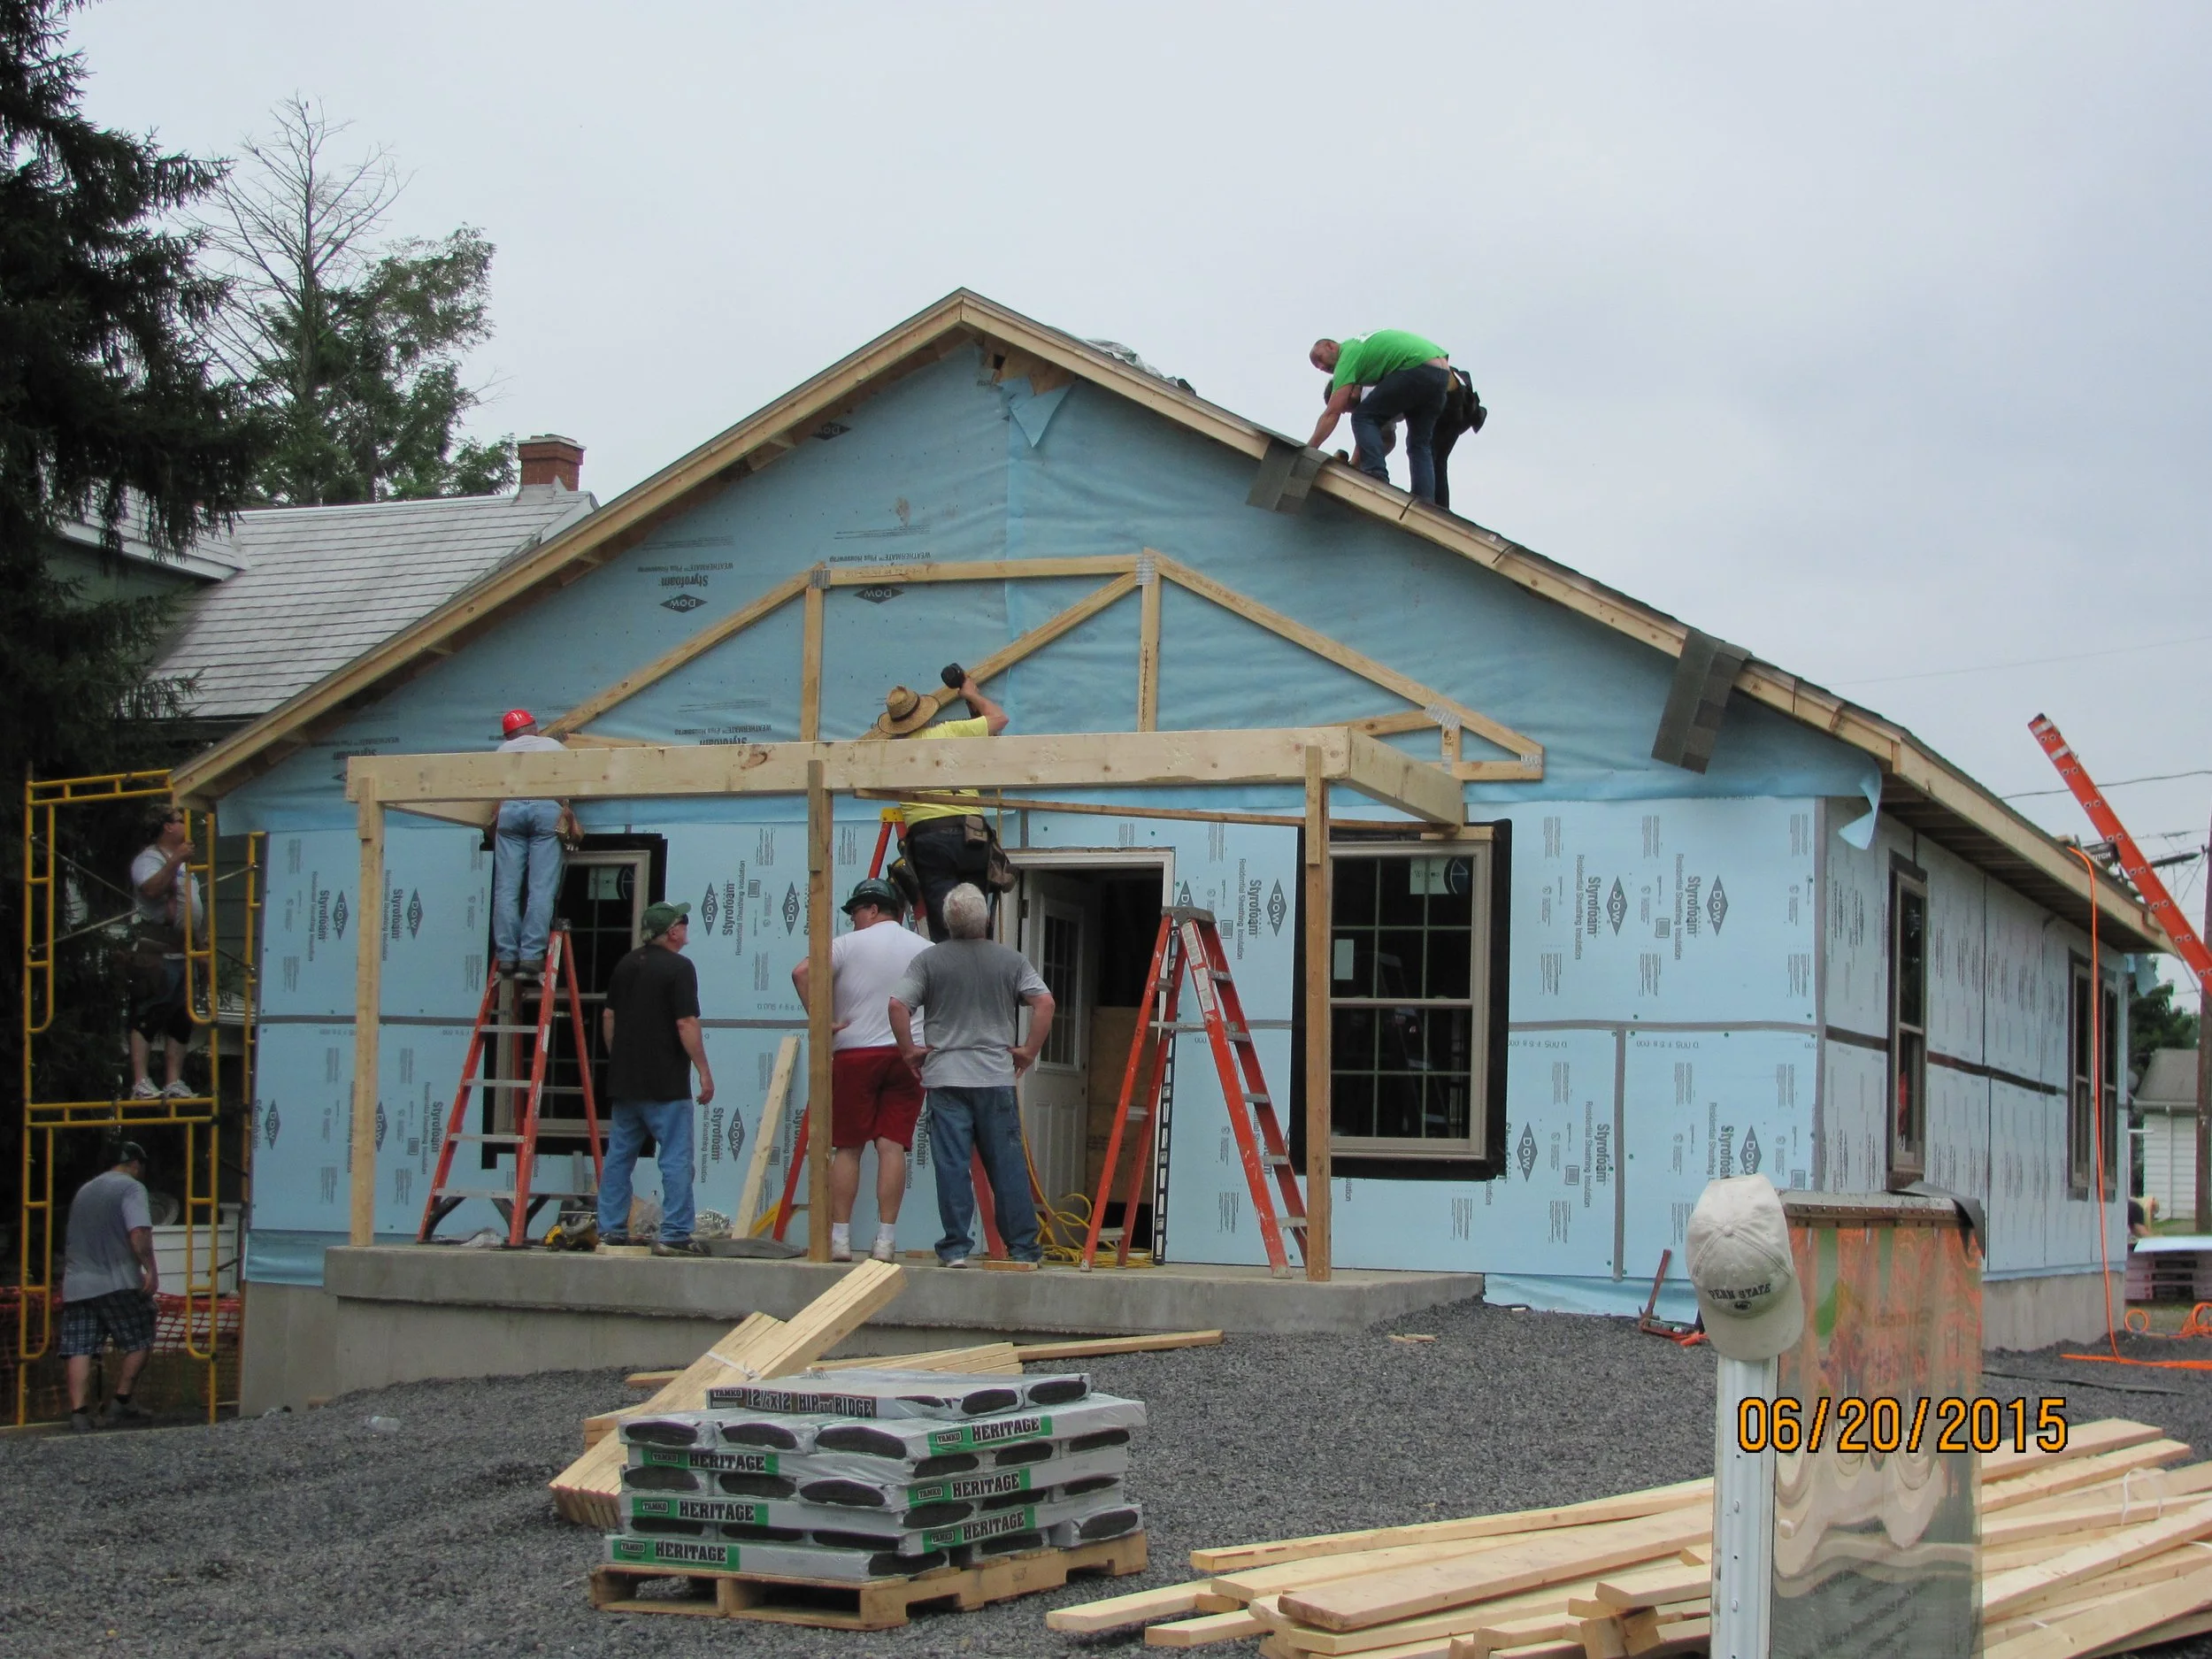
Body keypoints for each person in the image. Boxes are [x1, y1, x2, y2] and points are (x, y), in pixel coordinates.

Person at [888, 883, 1055, 1268]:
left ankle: (957, 1249)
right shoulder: (1009, 961)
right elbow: (1044, 1003)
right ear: (988, 920)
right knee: (1007, 1165)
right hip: (995, 1076)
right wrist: (1028, 1051)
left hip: (946, 1077)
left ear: (947, 922)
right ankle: (1024, 1250)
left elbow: (898, 1005)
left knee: (952, 1165)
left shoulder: (930, 961)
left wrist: (909, 1052)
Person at [792, 878, 932, 1263]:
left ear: (873, 909)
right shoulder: (925, 949)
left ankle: (839, 1239)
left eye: (855, 912)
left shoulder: (846, 945)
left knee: (848, 1148)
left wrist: (823, 1019)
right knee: (892, 1147)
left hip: (855, 1053)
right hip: (907, 1057)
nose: (852, 920)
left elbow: (802, 973)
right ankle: (885, 1242)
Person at [598, 901, 712, 1257]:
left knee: (619, 1156)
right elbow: (686, 1023)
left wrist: (620, 1059)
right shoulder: (679, 968)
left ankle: (611, 1230)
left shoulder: (625, 964)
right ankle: (676, 1233)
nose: (686, 928)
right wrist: (704, 1072)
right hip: (665, 1084)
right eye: (683, 922)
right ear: (672, 932)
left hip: (625, 1082)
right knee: (675, 1158)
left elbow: (609, 1018)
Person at [880, 674, 1010, 941]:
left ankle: (949, 970)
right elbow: (999, 719)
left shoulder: (889, 754)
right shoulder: (948, 732)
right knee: (975, 918)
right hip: (971, 836)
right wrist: (972, 694)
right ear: (924, 715)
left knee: (945, 926)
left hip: (930, 842)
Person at [59, 1141, 159, 1432]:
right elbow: (138, 1233)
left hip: (77, 1284)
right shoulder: (131, 1188)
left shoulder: (85, 1190)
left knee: (79, 1345)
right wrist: (150, 1269)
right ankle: (122, 1401)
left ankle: (79, 1413)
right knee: (141, 1334)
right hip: (118, 1281)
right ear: (135, 1164)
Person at [1308, 331, 1454, 503]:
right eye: (1319, 368)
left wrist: (1309, 450)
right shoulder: (1369, 357)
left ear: (1331, 346)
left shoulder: (1347, 357)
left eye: (1320, 360)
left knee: (1361, 418)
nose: (1323, 368)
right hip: (1442, 373)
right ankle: (1424, 501)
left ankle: (1376, 475)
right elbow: (1386, 438)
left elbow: (1332, 413)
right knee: (1419, 444)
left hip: (1418, 367)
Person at [128, 806, 204, 1100]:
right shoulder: (149, 859)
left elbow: (193, 905)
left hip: (184, 949)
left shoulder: (185, 863)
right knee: (149, 1012)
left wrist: (202, 946)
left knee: (182, 1017)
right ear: (167, 828)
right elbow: (151, 889)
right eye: (180, 820)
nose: (186, 825)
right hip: (157, 948)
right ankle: (141, 1081)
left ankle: (173, 1081)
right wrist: (175, 861)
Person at [492, 708, 572, 977]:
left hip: (510, 812)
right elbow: (572, 778)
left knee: (507, 889)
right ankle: (531, 955)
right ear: (534, 727)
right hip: (544, 808)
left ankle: (506, 956)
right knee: (541, 889)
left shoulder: (502, 750)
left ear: (508, 734)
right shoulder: (552, 745)